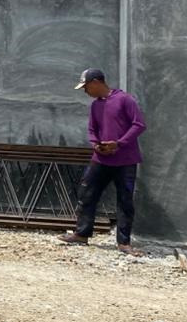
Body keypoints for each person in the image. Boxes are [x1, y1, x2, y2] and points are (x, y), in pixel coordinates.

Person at [59, 68, 147, 253]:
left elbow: (139, 124)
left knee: (124, 200)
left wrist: (119, 143)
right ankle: (82, 233)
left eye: (86, 87)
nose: (85, 91)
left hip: (125, 160)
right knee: (86, 194)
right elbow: (92, 129)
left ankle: (124, 242)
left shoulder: (125, 100)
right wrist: (95, 145)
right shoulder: (95, 106)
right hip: (100, 159)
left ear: (96, 82)